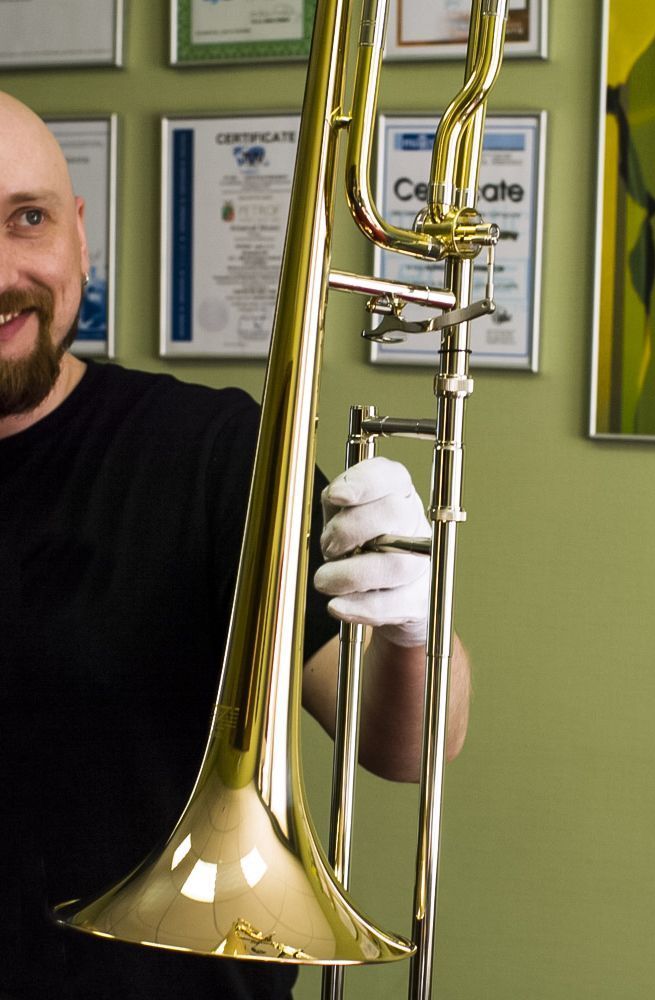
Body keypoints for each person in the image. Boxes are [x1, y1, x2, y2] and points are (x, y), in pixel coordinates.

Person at [0, 91, 471, 1000]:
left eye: (29, 218)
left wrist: (413, 629)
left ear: (79, 234)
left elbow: (408, 748)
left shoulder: (211, 452)